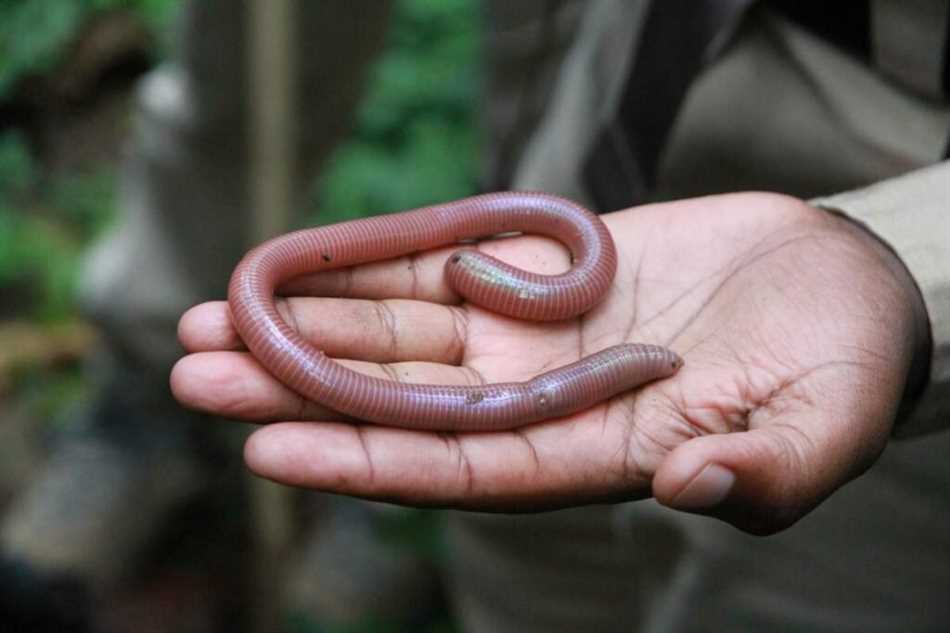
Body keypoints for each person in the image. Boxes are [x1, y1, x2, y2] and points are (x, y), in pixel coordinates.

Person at [8, 1, 950, 631]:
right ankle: (417, 533)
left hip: (897, 122)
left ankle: (392, 523)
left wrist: (911, 257)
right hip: (618, 41)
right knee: (524, 541)